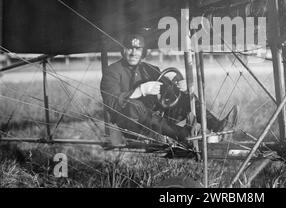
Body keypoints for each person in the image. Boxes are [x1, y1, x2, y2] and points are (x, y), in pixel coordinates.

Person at [100, 33, 238, 145]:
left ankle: (217, 126)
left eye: (138, 49)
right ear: (123, 50)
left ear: (143, 52)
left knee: (184, 97)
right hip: (132, 126)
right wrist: (139, 91)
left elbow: (169, 90)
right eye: (129, 48)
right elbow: (110, 103)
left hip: (157, 120)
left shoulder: (150, 69)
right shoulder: (112, 71)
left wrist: (182, 89)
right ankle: (190, 137)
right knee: (135, 105)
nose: (133, 53)